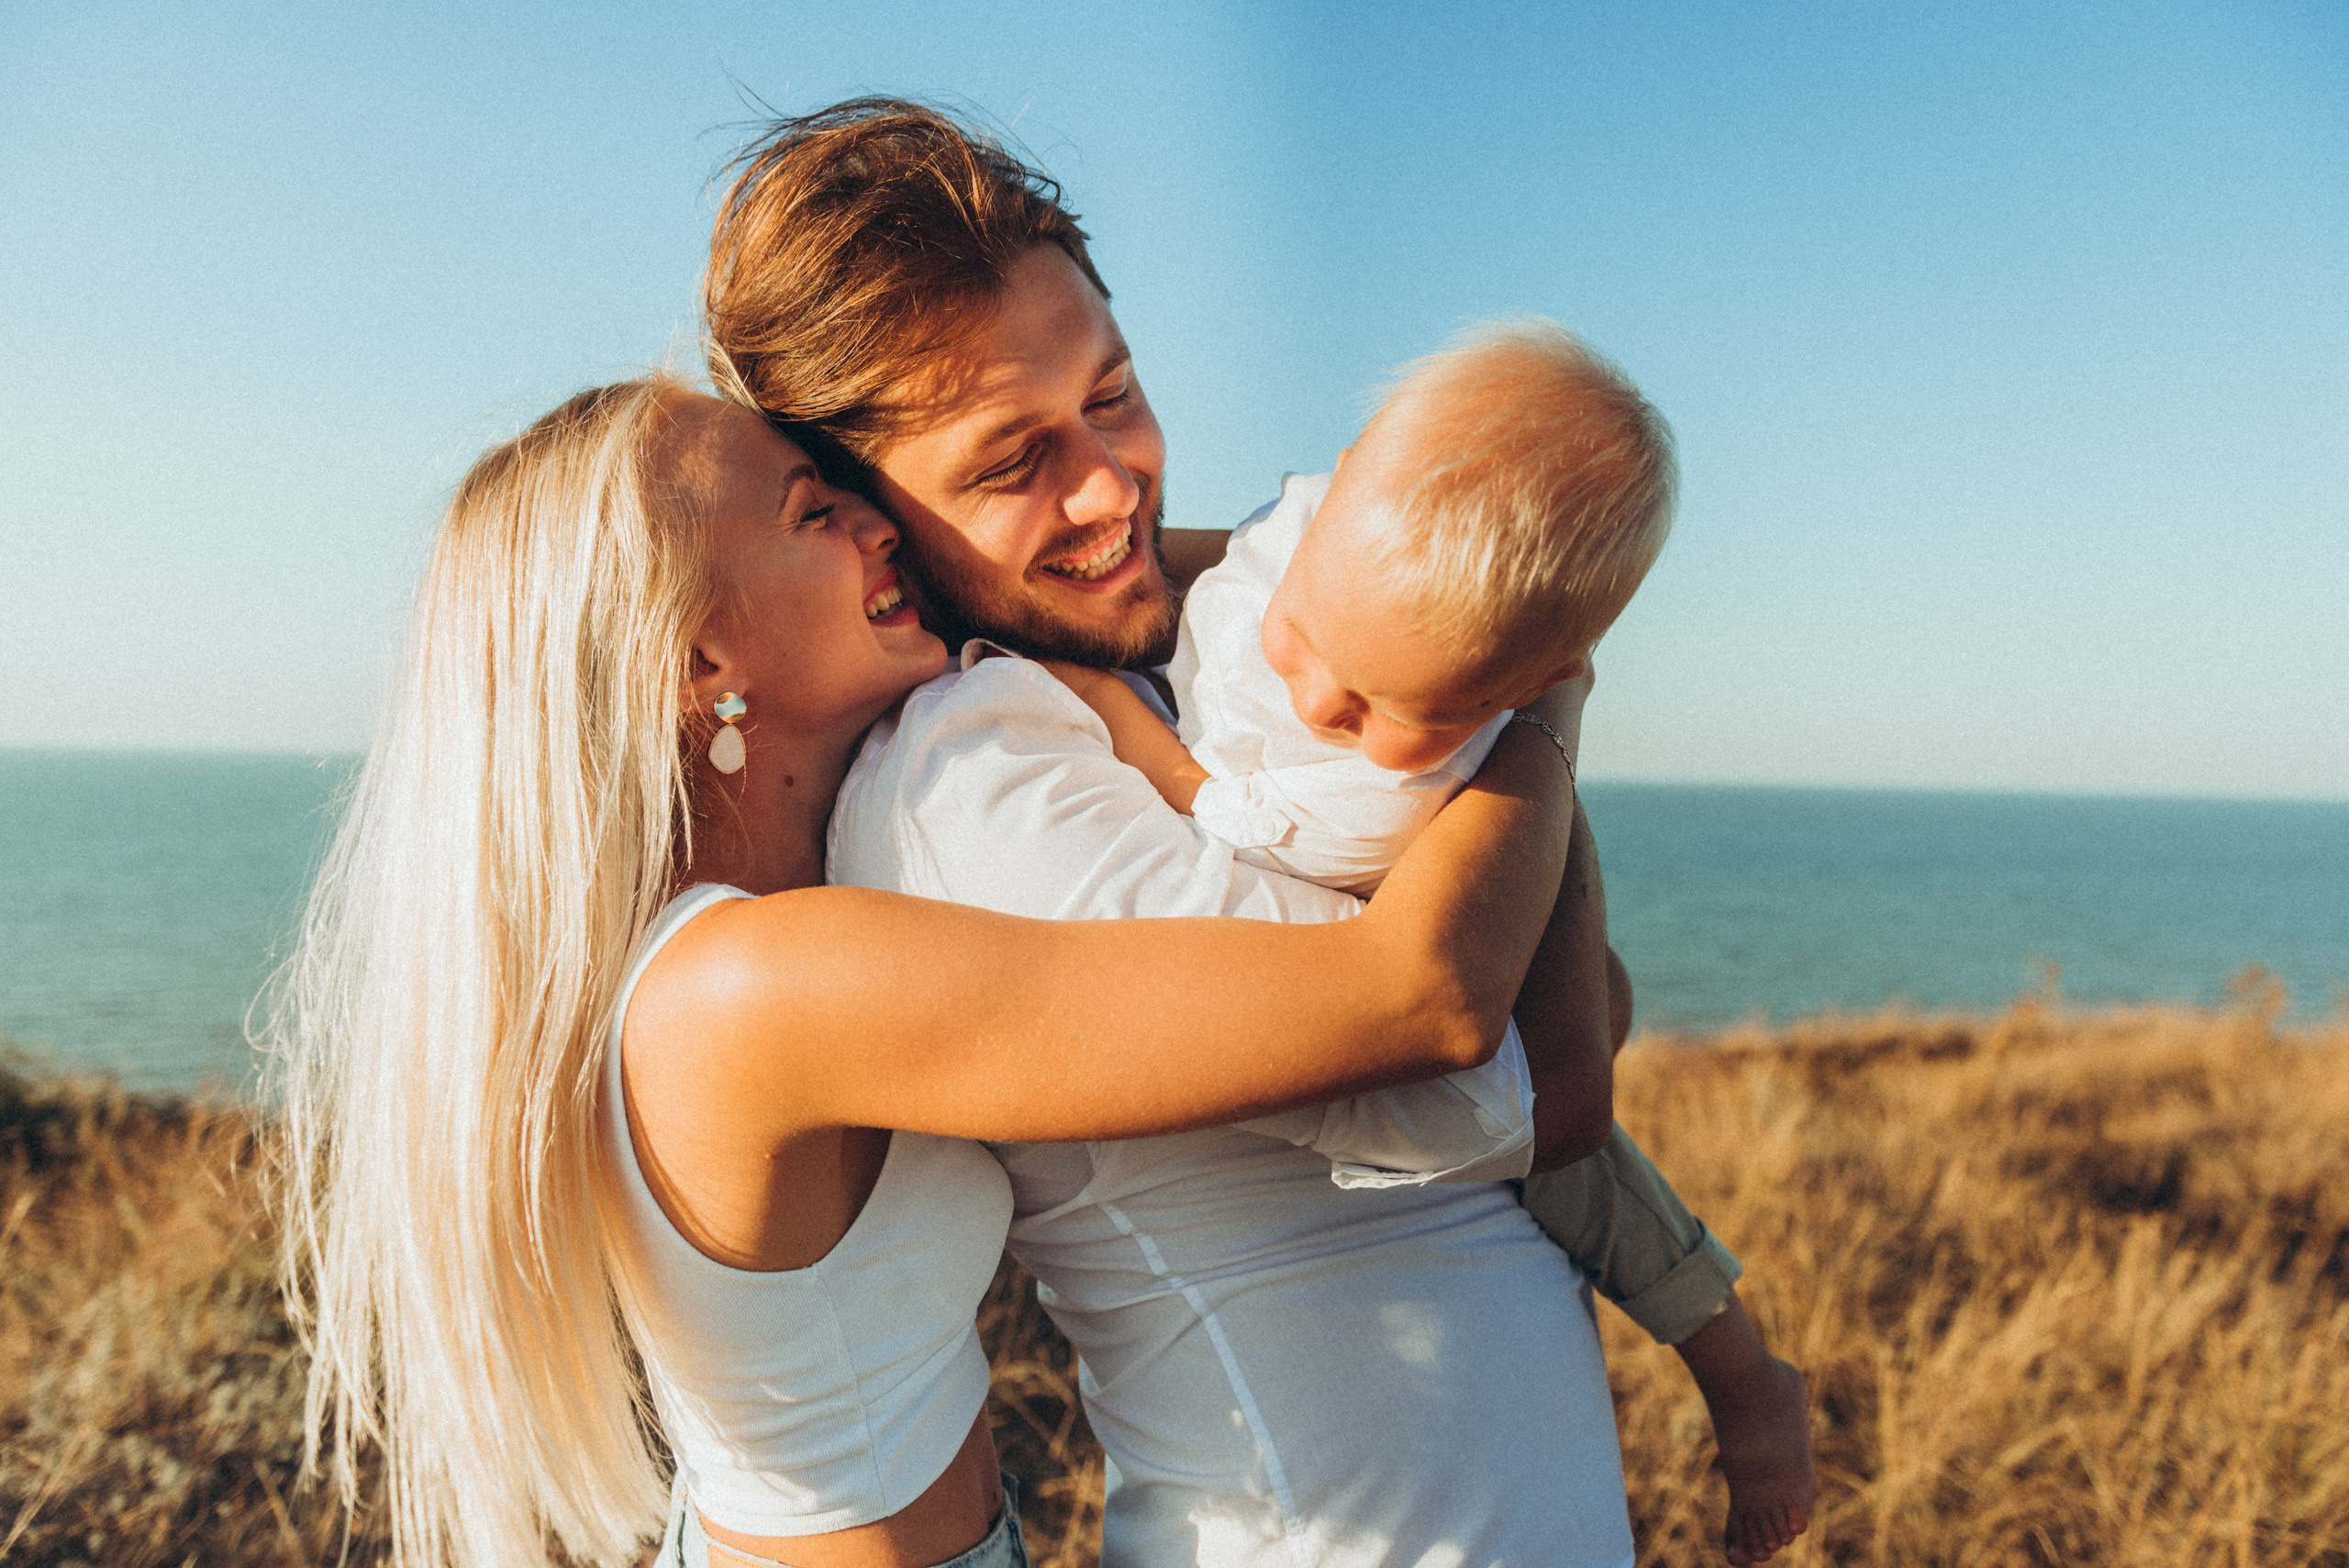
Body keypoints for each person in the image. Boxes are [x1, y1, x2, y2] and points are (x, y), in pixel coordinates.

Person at [264, 377, 1592, 1568]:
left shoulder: (749, 936)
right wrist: (1530, 674)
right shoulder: (760, 983)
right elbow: (1423, 1000)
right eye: (814, 513)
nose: (878, 526)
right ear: (699, 661)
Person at [707, 98, 1648, 1568]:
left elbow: (1592, 993)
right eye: (1011, 462)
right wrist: (1543, 685)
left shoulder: (1175, 666)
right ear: (869, 514)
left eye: (1116, 393)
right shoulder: (968, 771)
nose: (1111, 485)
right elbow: (1528, 1080)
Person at [1045, 318, 1816, 1563]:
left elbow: (1213, 806)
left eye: (1382, 706)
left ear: (1528, 682)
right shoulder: (1316, 529)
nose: (1319, 704)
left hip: (1474, 1003)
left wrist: (1098, 702)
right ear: (1342, 478)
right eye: (1304, 636)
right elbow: (1224, 555)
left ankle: (1741, 1373)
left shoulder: (1391, 789)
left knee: (1588, 1177)